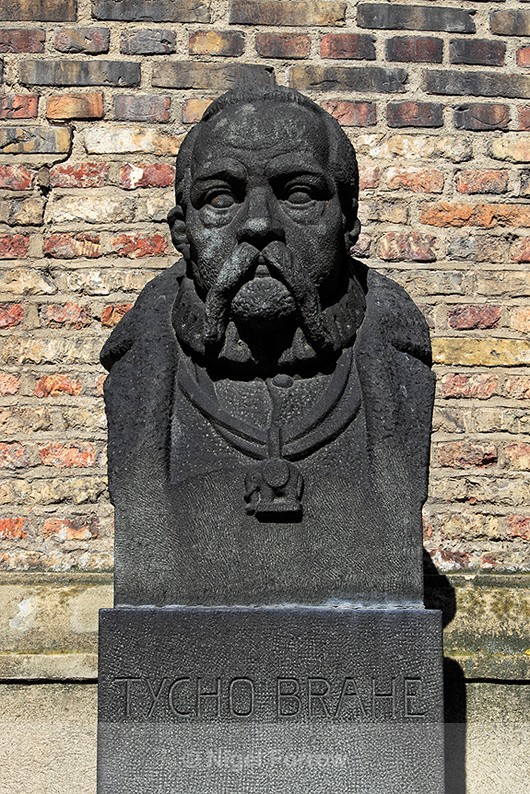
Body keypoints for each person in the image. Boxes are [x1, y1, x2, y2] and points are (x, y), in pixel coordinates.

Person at [101, 86, 434, 607]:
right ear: (183, 232)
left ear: (348, 224)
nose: (258, 223)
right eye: (221, 198)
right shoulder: (143, 364)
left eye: (298, 194)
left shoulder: (393, 359)